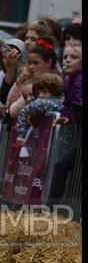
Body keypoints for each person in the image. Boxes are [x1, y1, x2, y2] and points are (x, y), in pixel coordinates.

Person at [47, 41, 82, 210]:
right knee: (61, 166)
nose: (67, 60)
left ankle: (50, 211)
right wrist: (67, 116)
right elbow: (68, 105)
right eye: (65, 57)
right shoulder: (68, 79)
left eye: (74, 57)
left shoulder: (80, 80)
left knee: (60, 166)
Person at [14, 73, 63, 146]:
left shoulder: (43, 103)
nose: (40, 95)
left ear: (55, 91)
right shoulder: (61, 103)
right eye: (38, 93)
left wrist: (21, 135)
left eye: (44, 92)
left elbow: (24, 111)